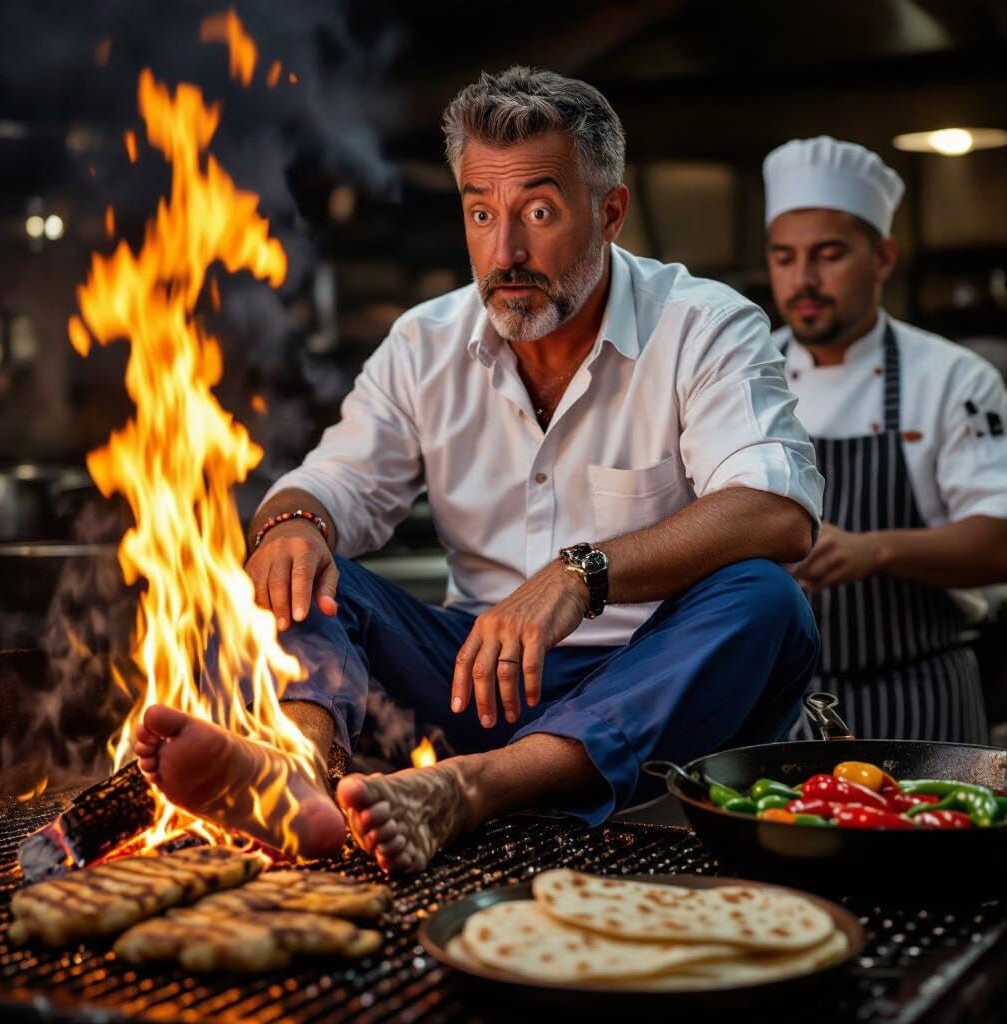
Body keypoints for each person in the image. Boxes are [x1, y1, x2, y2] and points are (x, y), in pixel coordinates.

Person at [134, 67, 822, 874]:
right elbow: (330, 486)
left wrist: (580, 574)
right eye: (481, 213)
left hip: (655, 686)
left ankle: (469, 789)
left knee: (768, 601)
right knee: (310, 571)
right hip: (474, 682)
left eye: (538, 211)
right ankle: (299, 776)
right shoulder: (424, 343)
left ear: (610, 213)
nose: (507, 251)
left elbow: (777, 511)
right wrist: (291, 525)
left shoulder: (704, 326)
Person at [764, 136, 1007, 742]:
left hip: (921, 695)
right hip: (777, 700)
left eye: (829, 255)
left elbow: (1000, 539)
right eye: (785, 257)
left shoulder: (952, 377)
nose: (804, 279)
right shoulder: (746, 371)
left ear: (884, 258)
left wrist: (876, 550)